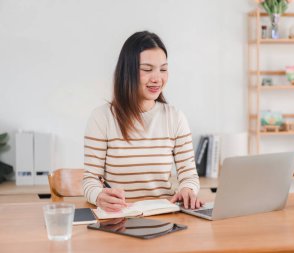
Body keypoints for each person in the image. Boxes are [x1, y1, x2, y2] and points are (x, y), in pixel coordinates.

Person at [82, 31, 203, 212]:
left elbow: (189, 175)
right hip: (121, 216)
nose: (157, 78)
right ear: (127, 71)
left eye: (163, 69)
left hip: (165, 215)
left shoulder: (175, 118)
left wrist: (188, 188)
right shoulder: (102, 118)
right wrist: (99, 196)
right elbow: (90, 179)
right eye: (147, 69)